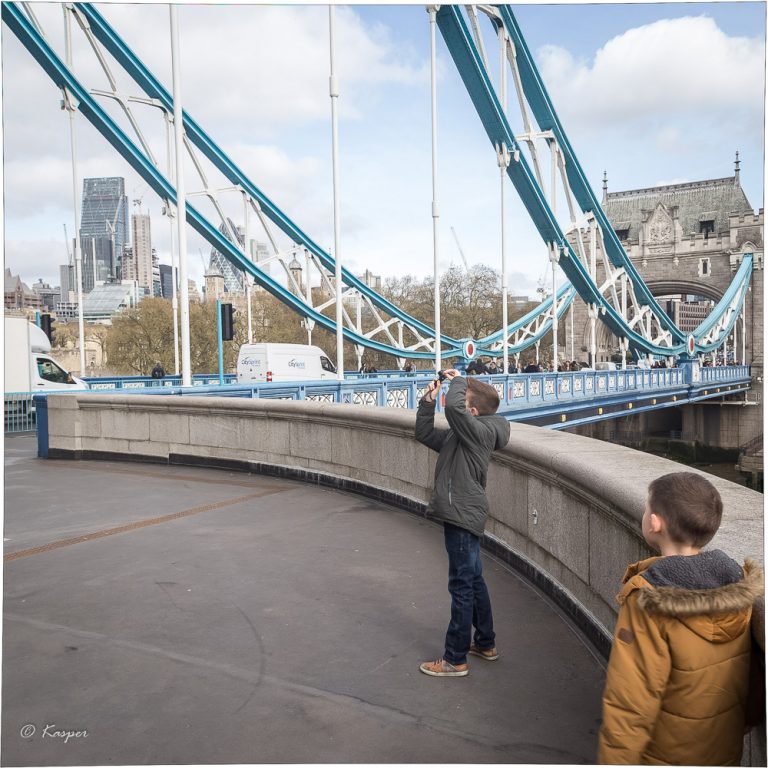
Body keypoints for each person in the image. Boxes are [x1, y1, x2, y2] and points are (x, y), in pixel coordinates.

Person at [598, 471, 763, 765]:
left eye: (648, 507)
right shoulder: (737, 583)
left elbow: (631, 702)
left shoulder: (649, 600)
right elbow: (752, 673)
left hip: (664, 755)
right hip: (723, 751)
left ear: (654, 523)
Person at [414, 370, 511, 677]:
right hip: (463, 510)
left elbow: (454, 408)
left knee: (461, 585)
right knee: (474, 579)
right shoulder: (464, 434)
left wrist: (460, 379)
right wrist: (427, 402)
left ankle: (454, 658)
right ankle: (485, 642)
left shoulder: (479, 433)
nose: (457, 402)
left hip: (461, 512)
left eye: (464, 400)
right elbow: (426, 435)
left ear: (473, 411)